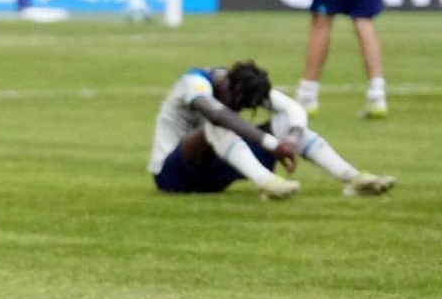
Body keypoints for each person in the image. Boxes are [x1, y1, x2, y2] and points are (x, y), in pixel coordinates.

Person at [149, 60, 395, 199]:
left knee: (284, 124)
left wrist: (291, 139)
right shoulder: (194, 83)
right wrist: (271, 144)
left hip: (213, 176)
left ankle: (352, 178)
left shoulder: (241, 84)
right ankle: (266, 182)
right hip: (173, 175)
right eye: (240, 103)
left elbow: (293, 110)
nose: (240, 108)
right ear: (229, 88)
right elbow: (217, 114)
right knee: (219, 124)